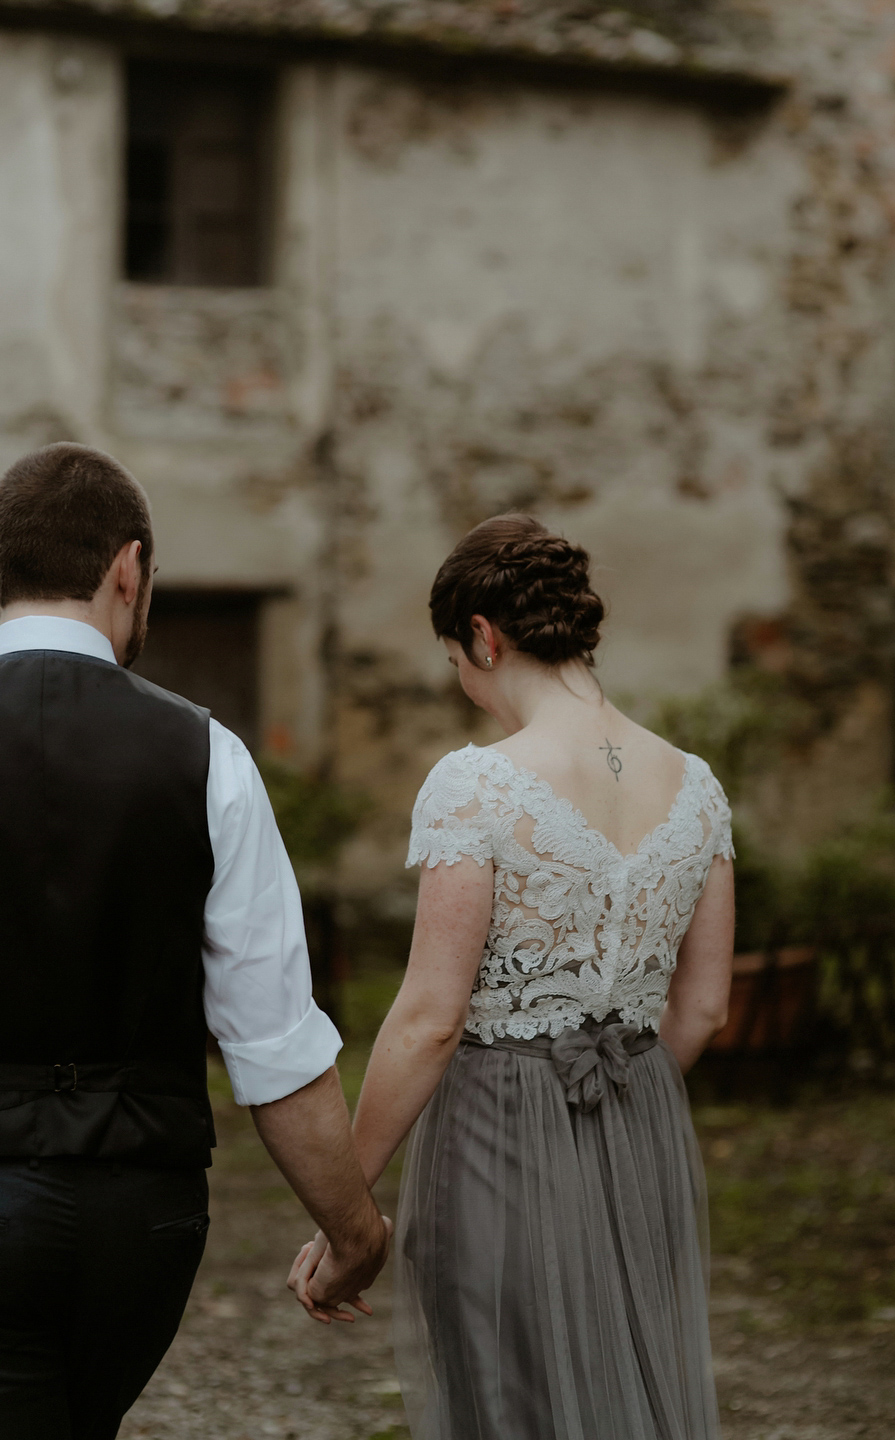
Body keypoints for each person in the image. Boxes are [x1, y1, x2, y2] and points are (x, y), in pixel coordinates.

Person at [290, 513, 735, 1439]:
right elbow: (702, 1007)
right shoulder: (697, 786)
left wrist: (350, 1211)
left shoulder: (478, 784)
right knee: (626, 1391)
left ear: (483, 637)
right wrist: (617, 1112)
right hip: (641, 1122)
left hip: (497, 1131)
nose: (463, 685)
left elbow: (428, 1020)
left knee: (509, 1401)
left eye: (456, 661)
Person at [0, 443, 391, 1440]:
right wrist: (353, 1231)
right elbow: (273, 1043)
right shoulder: (206, 754)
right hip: (140, 1217)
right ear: (128, 570)